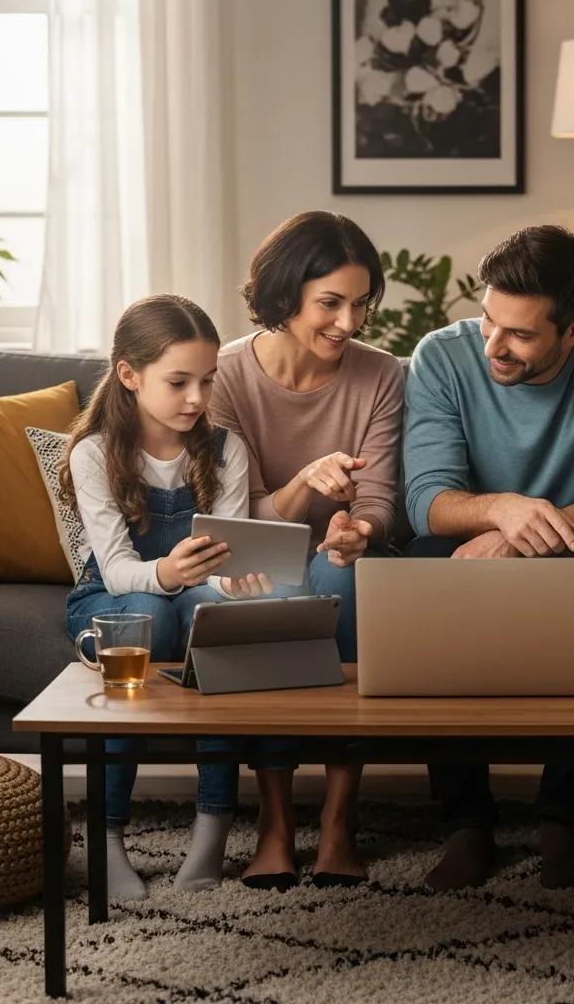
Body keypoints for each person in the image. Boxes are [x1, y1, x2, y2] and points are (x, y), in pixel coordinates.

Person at [403, 224, 574, 891]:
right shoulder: (441, 356)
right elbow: (426, 501)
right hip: (468, 546)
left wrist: (518, 535)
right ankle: (467, 824)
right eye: (488, 321)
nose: (494, 345)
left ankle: (561, 820)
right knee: (430, 583)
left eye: (520, 335)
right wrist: (499, 510)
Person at [209, 210, 404, 889]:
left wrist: (360, 532)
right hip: (258, 549)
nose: (349, 323)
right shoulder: (226, 377)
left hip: (343, 551)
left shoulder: (382, 376)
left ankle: (338, 821)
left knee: (345, 581)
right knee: (276, 593)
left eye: (360, 304)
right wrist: (301, 485)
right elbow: (239, 520)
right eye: (331, 303)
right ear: (286, 295)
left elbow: (378, 501)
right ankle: (275, 822)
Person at [61, 294, 272, 901]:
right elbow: (121, 569)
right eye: (178, 382)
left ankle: (212, 830)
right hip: (120, 593)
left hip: (194, 591)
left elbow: (227, 556)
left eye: (207, 381)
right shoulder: (94, 453)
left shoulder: (225, 449)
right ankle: (106, 839)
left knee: (219, 621)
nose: (198, 400)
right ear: (128, 375)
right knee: (147, 620)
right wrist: (173, 574)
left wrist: (235, 582)